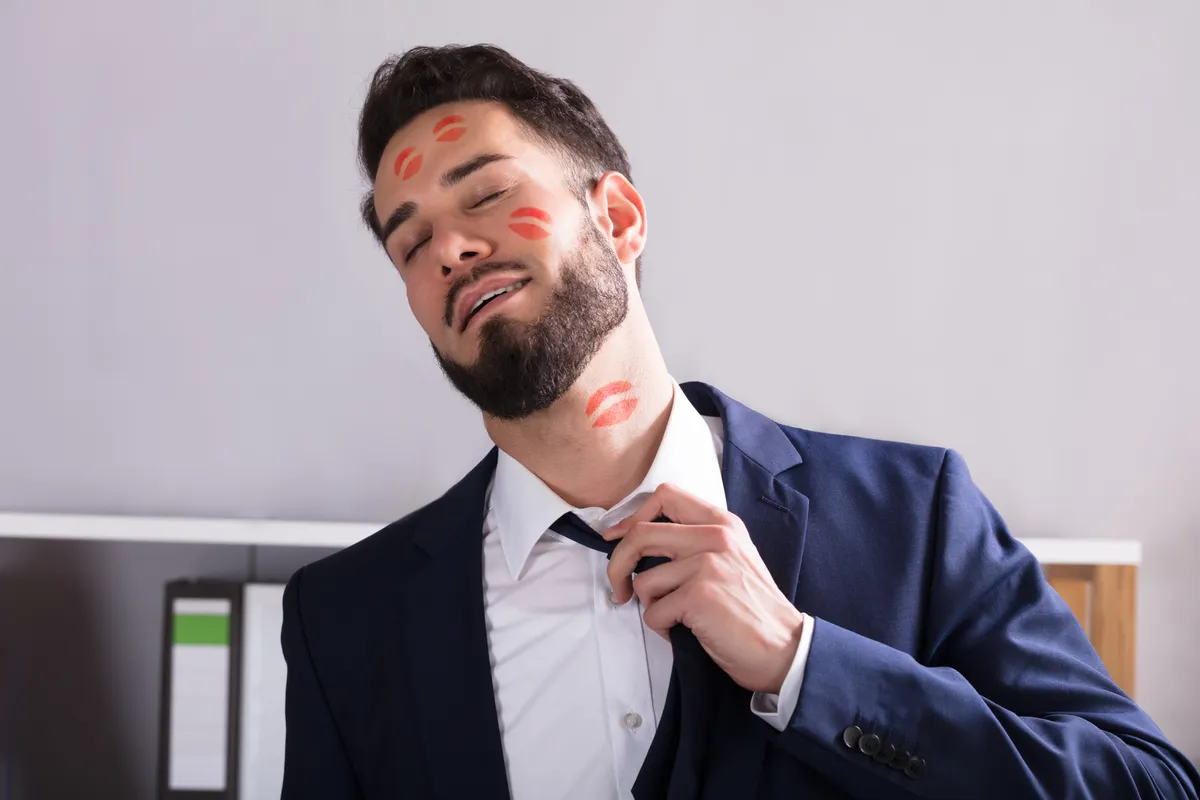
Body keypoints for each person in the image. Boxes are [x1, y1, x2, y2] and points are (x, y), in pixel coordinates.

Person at [280, 43, 1198, 800]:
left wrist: (803, 666)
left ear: (620, 217)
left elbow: (1150, 789)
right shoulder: (348, 624)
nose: (449, 247)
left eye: (483, 195)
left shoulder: (915, 517)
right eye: (410, 241)